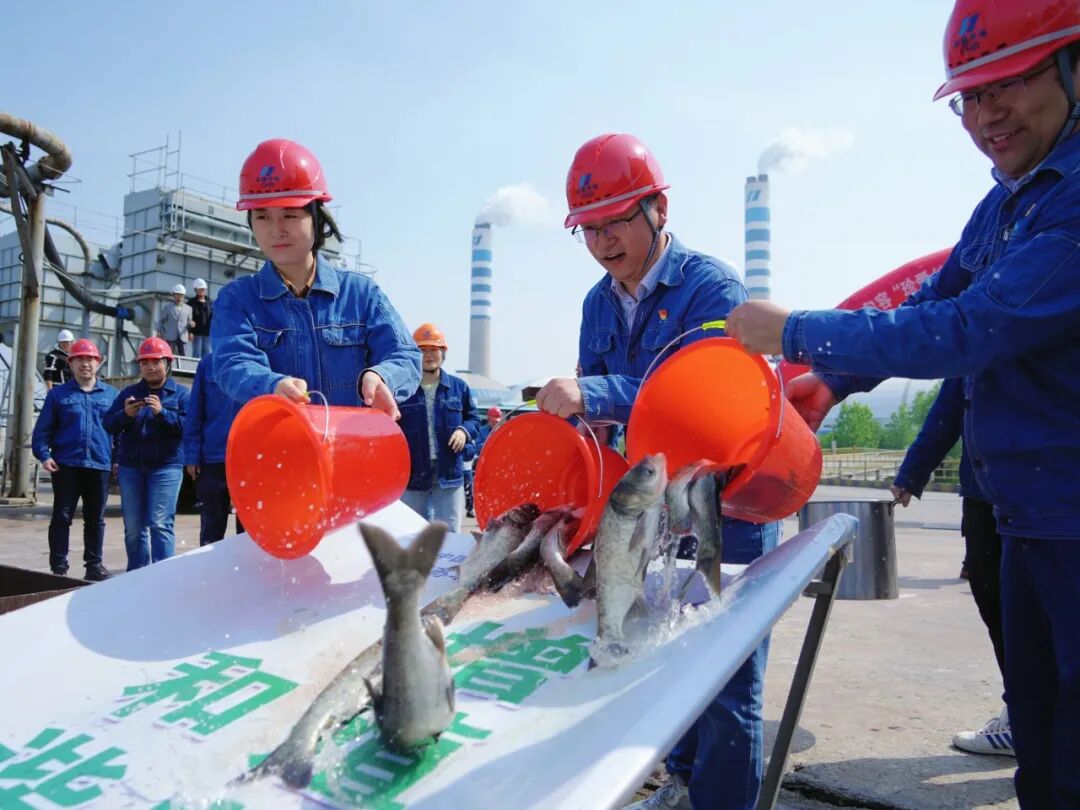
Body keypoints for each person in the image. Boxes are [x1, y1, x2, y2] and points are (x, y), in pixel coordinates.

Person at [726, 2, 1080, 803]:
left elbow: (969, 329)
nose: (986, 116)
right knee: (1042, 751)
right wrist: (832, 381)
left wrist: (797, 331)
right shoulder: (1006, 204)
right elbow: (934, 298)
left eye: (1008, 85)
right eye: (970, 98)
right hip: (1028, 521)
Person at [536, 133, 781, 810]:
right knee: (668, 663)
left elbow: (701, 395)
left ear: (659, 209)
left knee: (726, 683)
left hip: (727, 506)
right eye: (588, 229)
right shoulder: (596, 304)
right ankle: (681, 782)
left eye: (616, 221)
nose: (603, 242)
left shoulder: (711, 287)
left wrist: (597, 393)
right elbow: (600, 424)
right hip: (654, 513)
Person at [212, 138, 420, 414]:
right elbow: (232, 363)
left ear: (316, 218)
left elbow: (405, 356)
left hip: (350, 440)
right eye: (262, 217)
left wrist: (383, 377)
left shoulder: (361, 294)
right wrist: (272, 385)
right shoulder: (237, 300)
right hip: (276, 440)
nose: (276, 230)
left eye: (289, 215)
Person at [891, 379, 1011, 757]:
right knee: (999, 608)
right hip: (987, 494)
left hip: (1038, 493)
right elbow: (950, 406)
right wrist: (913, 471)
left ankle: (1033, 721)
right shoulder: (974, 350)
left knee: (1029, 615)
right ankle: (1024, 715)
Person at [31, 338, 117, 580]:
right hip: (66, 465)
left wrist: (117, 459)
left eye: (90, 359)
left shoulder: (112, 395)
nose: (85, 363)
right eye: (79, 359)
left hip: (99, 464)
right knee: (62, 517)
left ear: (98, 363)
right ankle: (59, 567)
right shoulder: (58, 395)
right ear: (70, 363)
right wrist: (44, 455)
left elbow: (120, 431)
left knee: (95, 519)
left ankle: (94, 566)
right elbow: (42, 431)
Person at [104, 336, 190, 571]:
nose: (150, 367)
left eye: (156, 362)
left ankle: (162, 576)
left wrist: (163, 413)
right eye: (145, 363)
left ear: (167, 363)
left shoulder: (181, 395)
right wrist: (126, 415)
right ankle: (138, 574)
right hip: (132, 468)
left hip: (166, 467)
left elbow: (188, 427)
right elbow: (109, 425)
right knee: (134, 527)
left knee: (160, 524)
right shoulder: (129, 394)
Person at [398, 323, 480, 532]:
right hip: (412, 474)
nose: (428, 355)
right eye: (422, 350)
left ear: (443, 353)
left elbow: (473, 419)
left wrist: (463, 431)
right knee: (411, 533)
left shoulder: (459, 387)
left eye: (433, 349)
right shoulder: (402, 389)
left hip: (449, 472)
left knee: (449, 533)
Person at [183, 351, 244, 546]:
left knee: (249, 530)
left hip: (250, 458)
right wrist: (192, 455)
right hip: (213, 457)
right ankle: (210, 566)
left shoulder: (262, 359)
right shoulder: (208, 364)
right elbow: (195, 411)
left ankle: (248, 566)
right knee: (211, 528)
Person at [464, 406, 503, 518]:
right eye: (494, 421)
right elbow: (477, 447)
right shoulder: (481, 431)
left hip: (499, 466)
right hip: (485, 465)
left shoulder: (501, 430)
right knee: (483, 491)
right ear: (489, 419)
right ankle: (481, 511)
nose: (495, 423)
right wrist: (491, 443)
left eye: (497, 421)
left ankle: (497, 512)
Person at [156, 284, 194, 358]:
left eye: (181, 295)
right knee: (168, 355)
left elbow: (189, 322)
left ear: (184, 296)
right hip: (170, 336)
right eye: (177, 294)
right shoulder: (167, 307)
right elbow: (161, 321)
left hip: (183, 337)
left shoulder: (189, 309)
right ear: (174, 295)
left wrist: (191, 326)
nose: (179, 296)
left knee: (183, 356)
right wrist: (159, 331)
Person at [188, 278, 213, 358]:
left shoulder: (210, 302)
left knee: (207, 354)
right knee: (196, 353)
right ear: (196, 290)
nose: (202, 291)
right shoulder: (191, 302)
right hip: (196, 333)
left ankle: (206, 366)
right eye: (200, 289)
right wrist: (190, 332)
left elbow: (213, 317)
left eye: (203, 289)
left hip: (207, 333)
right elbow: (188, 318)